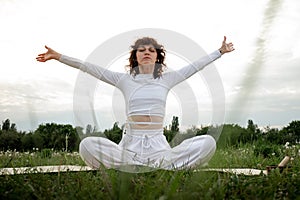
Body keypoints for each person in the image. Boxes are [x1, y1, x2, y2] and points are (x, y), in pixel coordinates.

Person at [36, 36, 234, 172]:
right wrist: (58, 56)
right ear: (135, 56)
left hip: (159, 149)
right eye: (142, 50)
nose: (146, 52)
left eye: (151, 50)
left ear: (158, 56)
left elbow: (196, 66)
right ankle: (140, 166)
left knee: (208, 143)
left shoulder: (168, 79)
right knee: (87, 145)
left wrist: (220, 51)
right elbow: (88, 67)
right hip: (129, 147)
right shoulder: (124, 80)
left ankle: (150, 166)